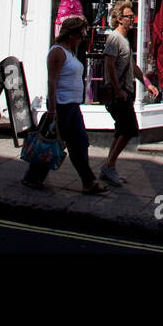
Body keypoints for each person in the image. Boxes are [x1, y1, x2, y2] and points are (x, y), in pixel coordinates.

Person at [22, 16, 107, 194]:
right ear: (71, 35)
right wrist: (52, 109)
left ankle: (86, 181)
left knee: (78, 143)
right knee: (53, 142)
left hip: (72, 105)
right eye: (81, 34)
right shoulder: (58, 52)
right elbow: (52, 81)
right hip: (61, 105)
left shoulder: (70, 51)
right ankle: (35, 177)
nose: (83, 38)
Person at [100, 0, 156, 186]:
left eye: (132, 16)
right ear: (118, 18)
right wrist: (118, 90)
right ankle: (110, 165)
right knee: (129, 129)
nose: (132, 19)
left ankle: (108, 167)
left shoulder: (124, 40)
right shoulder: (114, 39)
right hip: (119, 94)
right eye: (128, 17)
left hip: (125, 92)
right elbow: (109, 66)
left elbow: (132, 66)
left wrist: (147, 83)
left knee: (121, 129)